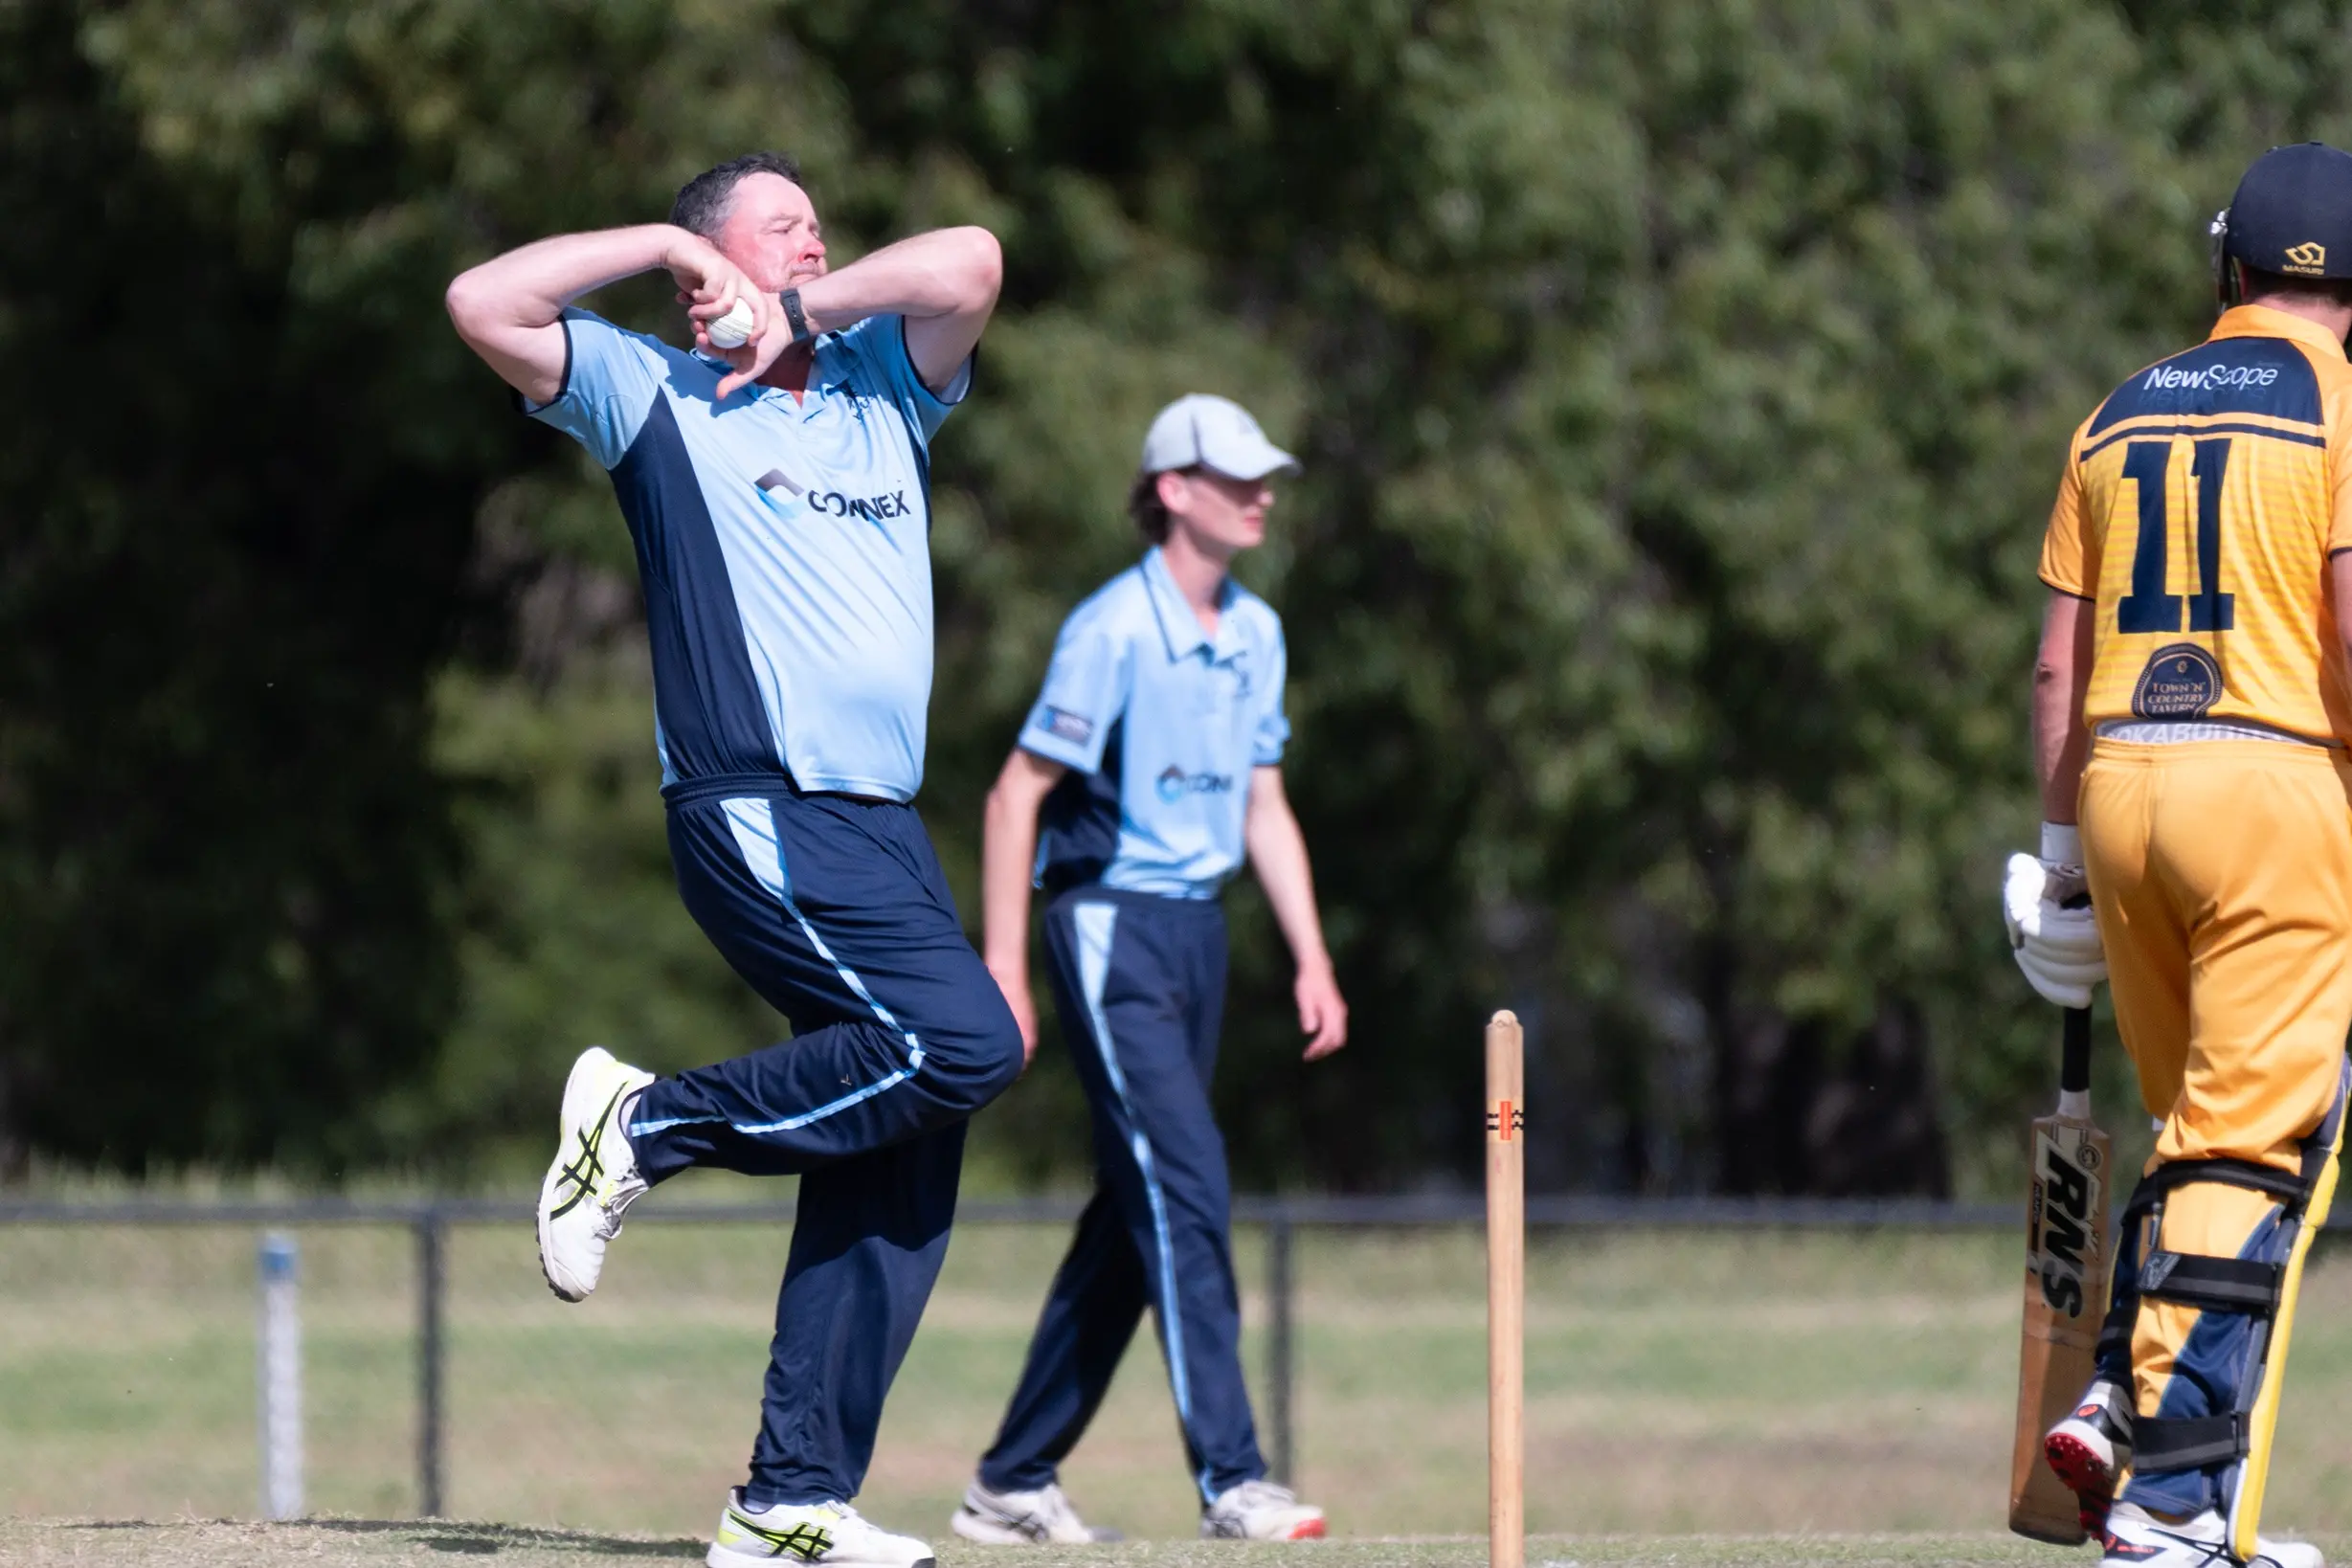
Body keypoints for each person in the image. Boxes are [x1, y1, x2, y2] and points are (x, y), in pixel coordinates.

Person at [443, 151, 1020, 1568]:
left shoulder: (883, 378)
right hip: (757, 806)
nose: (812, 237)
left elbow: (974, 263)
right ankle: (639, 1129)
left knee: (904, 1141)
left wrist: (808, 311)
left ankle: (785, 1502)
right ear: (713, 260)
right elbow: (481, 300)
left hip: (882, 825)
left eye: (818, 223)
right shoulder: (652, 393)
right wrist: (655, 242)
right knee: (965, 1045)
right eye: (781, 228)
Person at [2005, 142, 2352, 1568]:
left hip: (2126, 795)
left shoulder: (2114, 412)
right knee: (2255, 1140)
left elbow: (2052, 671)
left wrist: (2061, 861)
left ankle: (2139, 1426)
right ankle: (2163, 1495)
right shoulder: (2340, 407)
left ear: (2229, 269)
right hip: (2271, 783)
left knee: (2198, 1125)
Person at [947, 394, 1347, 1546]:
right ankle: (1235, 1478)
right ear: (1173, 489)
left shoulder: (1257, 633)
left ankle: (1013, 1480)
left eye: (1266, 476)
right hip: (1108, 925)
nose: (1261, 493)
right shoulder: (1112, 629)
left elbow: (1265, 804)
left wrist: (1313, 958)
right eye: (1236, 477)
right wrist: (1006, 974)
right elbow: (1015, 794)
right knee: (1187, 1187)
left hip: (1198, 933)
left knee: (1138, 1210)